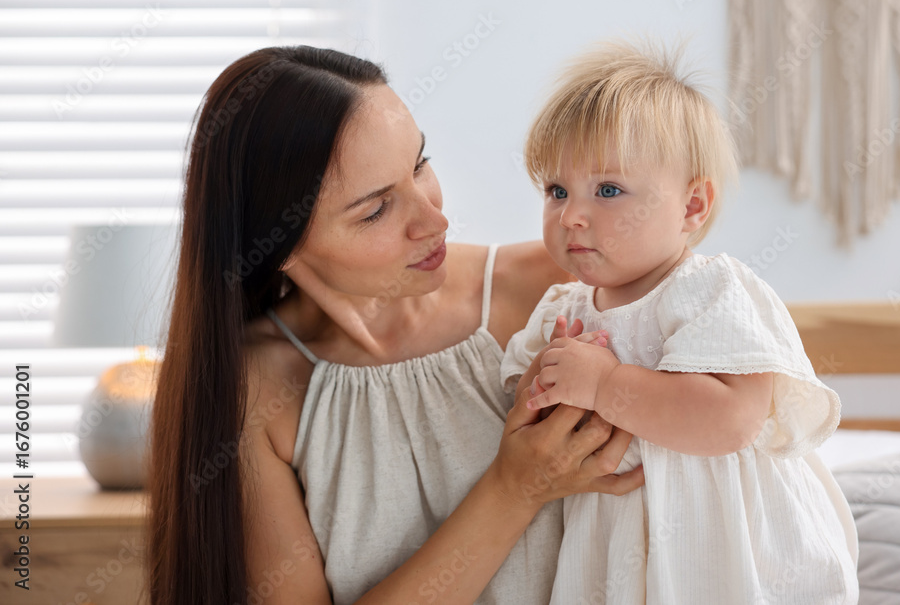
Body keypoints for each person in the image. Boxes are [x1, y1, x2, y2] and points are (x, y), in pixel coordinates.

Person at [146, 45, 645, 605]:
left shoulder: (566, 288)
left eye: (419, 164)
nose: (436, 219)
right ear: (277, 246)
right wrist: (515, 489)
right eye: (375, 209)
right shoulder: (255, 388)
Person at [500, 39, 860, 604]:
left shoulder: (711, 292)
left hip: (725, 545)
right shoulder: (561, 309)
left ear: (692, 207)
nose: (571, 215)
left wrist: (604, 383)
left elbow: (732, 420)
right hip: (614, 543)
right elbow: (521, 417)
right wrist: (546, 381)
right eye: (557, 190)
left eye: (608, 190)